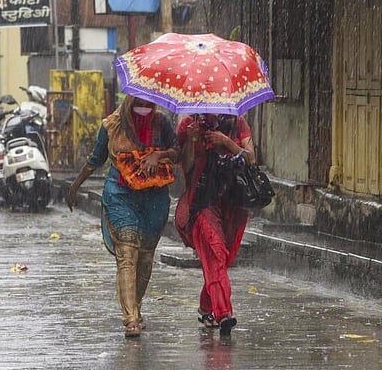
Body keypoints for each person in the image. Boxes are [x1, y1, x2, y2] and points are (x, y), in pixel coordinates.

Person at [67, 96, 179, 338]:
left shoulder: (161, 123)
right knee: (127, 254)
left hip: (154, 198)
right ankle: (130, 319)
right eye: (140, 103)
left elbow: (177, 152)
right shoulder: (112, 126)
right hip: (121, 196)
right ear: (129, 100)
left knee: (146, 258)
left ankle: (136, 308)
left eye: (149, 104)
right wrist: (75, 186)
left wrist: (158, 156)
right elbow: (94, 160)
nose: (144, 109)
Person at [174, 112, 256, 336]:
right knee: (215, 253)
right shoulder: (190, 125)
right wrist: (191, 140)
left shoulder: (238, 124)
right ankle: (223, 313)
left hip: (234, 204)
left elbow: (251, 159)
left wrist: (226, 142)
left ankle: (206, 307)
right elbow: (187, 167)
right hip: (202, 202)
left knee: (223, 259)